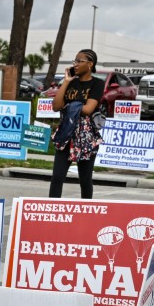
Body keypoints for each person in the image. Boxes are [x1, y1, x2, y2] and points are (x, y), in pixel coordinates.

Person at [48, 49, 104, 200]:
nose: (75, 64)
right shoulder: (70, 83)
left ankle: (86, 210)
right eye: (75, 61)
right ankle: (52, 209)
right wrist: (66, 82)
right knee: (57, 177)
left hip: (86, 136)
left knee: (85, 180)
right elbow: (56, 106)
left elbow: (88, 110)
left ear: (90, 64)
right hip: (66, 133)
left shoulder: (97, 83)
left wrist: (69, 105)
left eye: (80, 61)